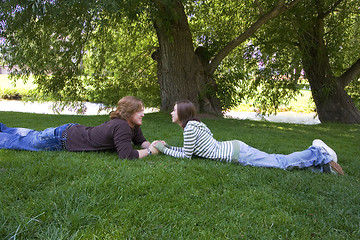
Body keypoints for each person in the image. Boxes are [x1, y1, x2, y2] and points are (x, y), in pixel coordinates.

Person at [152, 100, 344, 175]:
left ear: (182, 115)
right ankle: (324, 168)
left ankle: (318, 152)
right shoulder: (193, 125)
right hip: (236, 147)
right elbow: (189, 151)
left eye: (174, 110)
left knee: (279, 163)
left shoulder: (189, 129)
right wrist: (168, 146)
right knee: (275, 160)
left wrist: (164, 150)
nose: (170, 113)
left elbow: (186, 157)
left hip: (238, 153)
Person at [0, 96, 158, 159]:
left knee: (33, 135)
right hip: (62, 139)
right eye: (140, 111)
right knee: (19, 142)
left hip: (69, 131)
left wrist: (153, 145)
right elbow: (126, 155)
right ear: (129, 112)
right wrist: (150, 151)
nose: (143, 114)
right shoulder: (122, 126)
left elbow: (140, 141)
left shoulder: (132, 124)